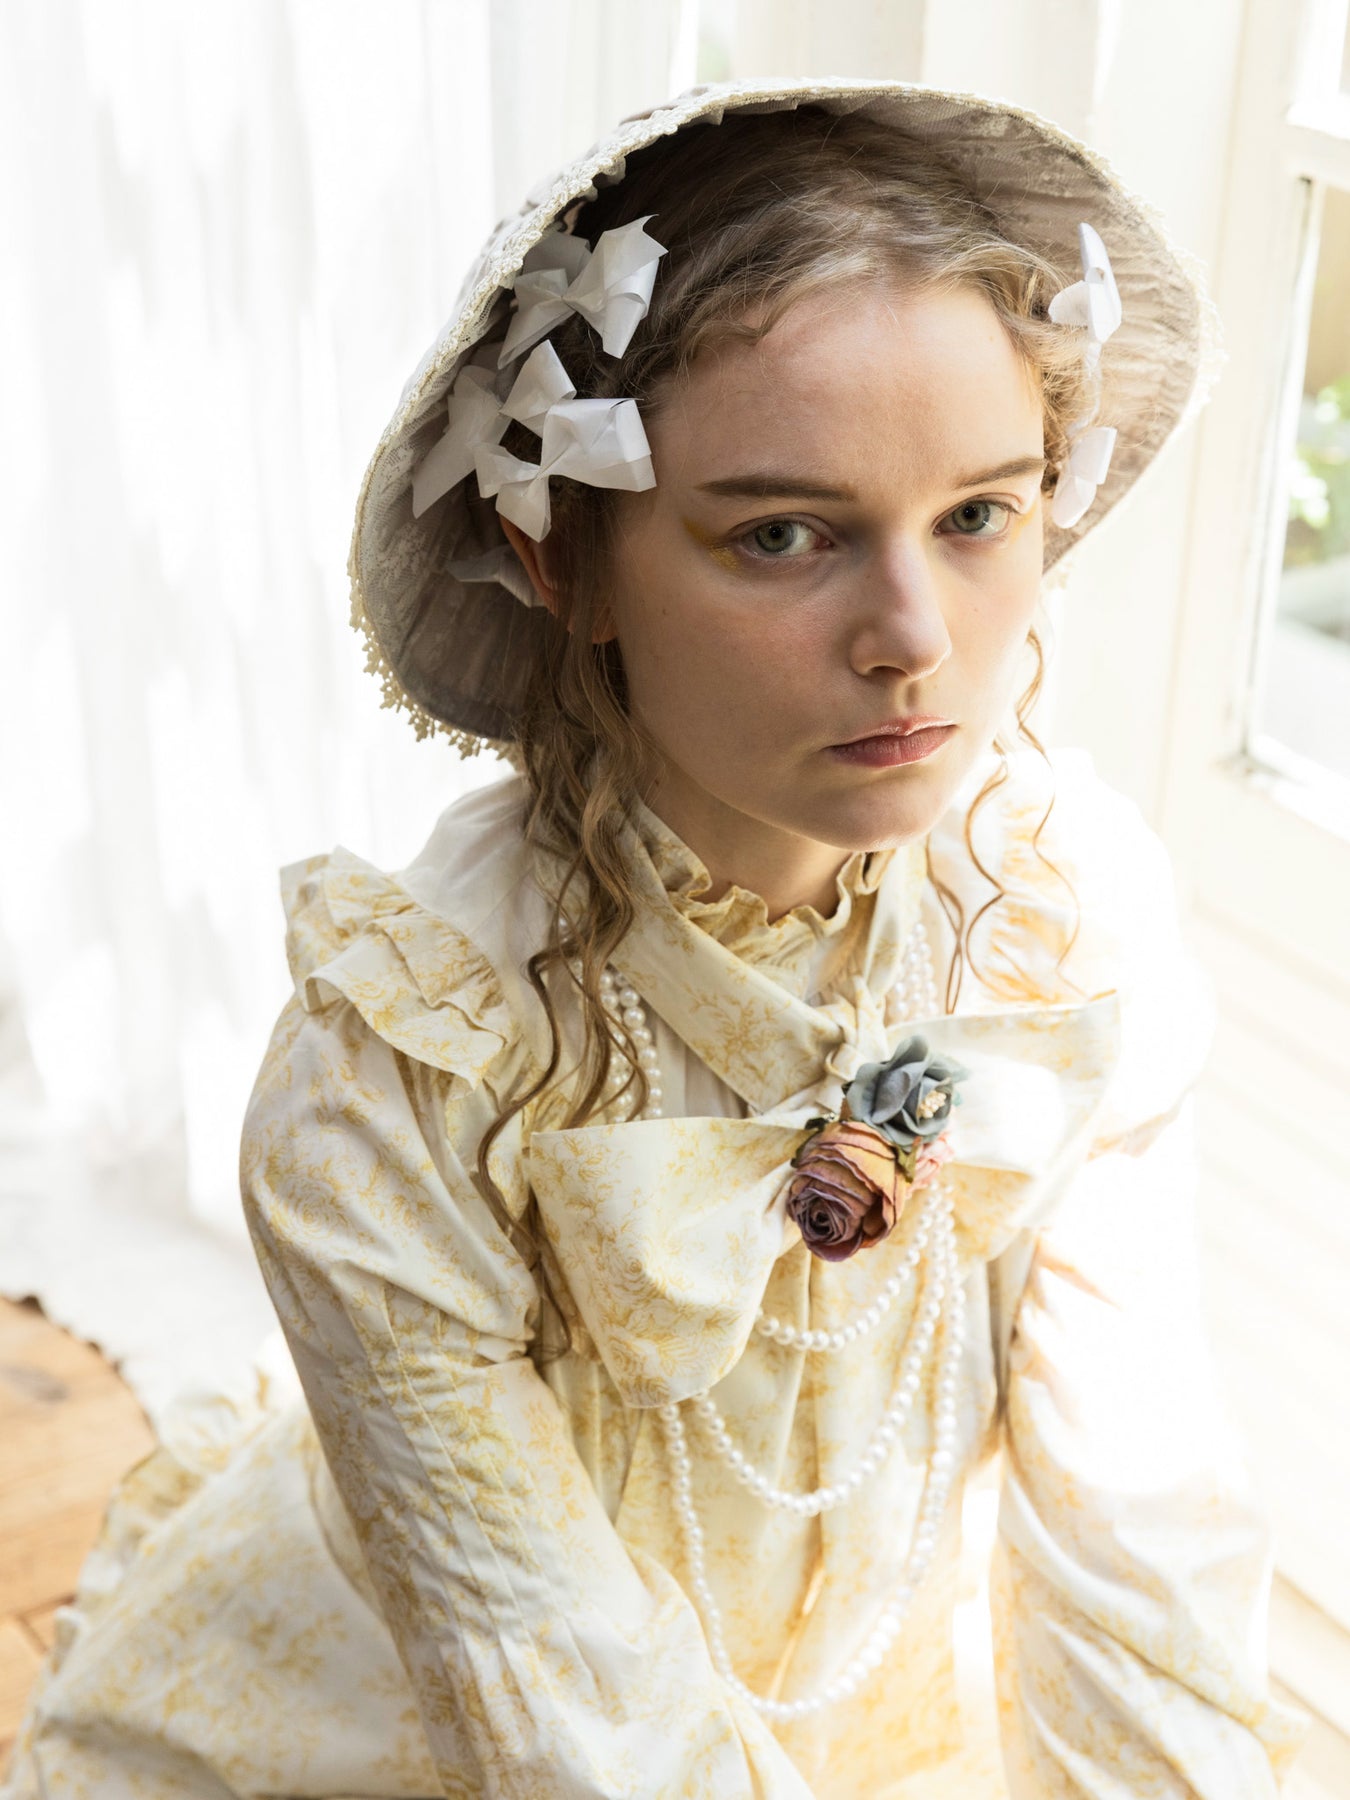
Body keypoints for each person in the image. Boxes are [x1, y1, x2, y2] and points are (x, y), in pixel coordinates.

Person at [5, 79, 1309, 1800]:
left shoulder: (1055, 925)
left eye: (979, 515)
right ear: (564, 562)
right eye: (781, 534)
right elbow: (564, 1705)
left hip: (861, 1701)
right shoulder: (405, 1067)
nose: (914, 638)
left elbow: (1134, 1536)